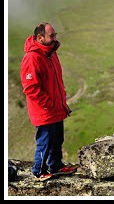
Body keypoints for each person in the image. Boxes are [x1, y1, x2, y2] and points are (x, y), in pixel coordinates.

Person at [20, 22, 77, 182]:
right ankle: (38, 171)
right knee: (44, 142)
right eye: (51, 35)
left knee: (57, 140)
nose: (54, 38)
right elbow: (30, 88)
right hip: (45, 110)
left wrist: (59, 102)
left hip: (56, 108)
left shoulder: (51, 54)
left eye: (55, 35)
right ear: (40, 37)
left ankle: (56, 166)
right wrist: (48, 103)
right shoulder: (32, 58)